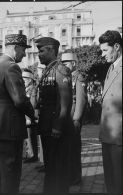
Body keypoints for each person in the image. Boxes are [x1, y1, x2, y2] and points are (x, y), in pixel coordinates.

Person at [0, 31, 36, 194]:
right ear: (15, 48)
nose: (24, 54)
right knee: (11, 171)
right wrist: (33, 114)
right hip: (9, 127)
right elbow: (20, 100)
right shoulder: (11, 67)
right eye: (23, 50)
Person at [35, 37, 73, 194]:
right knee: (50, 166)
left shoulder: (61, 70)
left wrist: (57, 126)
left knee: (58, 167)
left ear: (51, 50)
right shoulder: (48, 70)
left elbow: (65, 103)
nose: (38, 54)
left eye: (41, 51)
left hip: (56, 128)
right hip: (46, 126)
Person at [98, 30, 122, 194]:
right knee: (110, 180)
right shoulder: (111, 68)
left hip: (119, 136)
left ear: (117, 46)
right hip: (107, 134)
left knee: (119, 182)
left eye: (105, 50)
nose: (102, 54)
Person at [61, 52, 88, 185]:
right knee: (68, 147)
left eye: (66, 63)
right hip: (68, 118)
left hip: (73, 118)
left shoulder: (79, 77)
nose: (64, 65)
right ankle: (70, 174)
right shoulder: (69, 77)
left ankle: (75, 177)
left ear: (73, 63)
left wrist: (76, 119)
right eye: (63, 63)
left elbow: (81, 100)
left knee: (74, 148)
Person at [22, 68, 39, 163]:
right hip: (25, 116)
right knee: (26, 136)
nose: (23, 80)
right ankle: (28, 154)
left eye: (24, 79)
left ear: (29, 79)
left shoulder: (33, 89)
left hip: (30, 117)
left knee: (30, 136)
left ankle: (32, 155)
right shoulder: (25, 89)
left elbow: (32, 104)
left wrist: (28, 117)